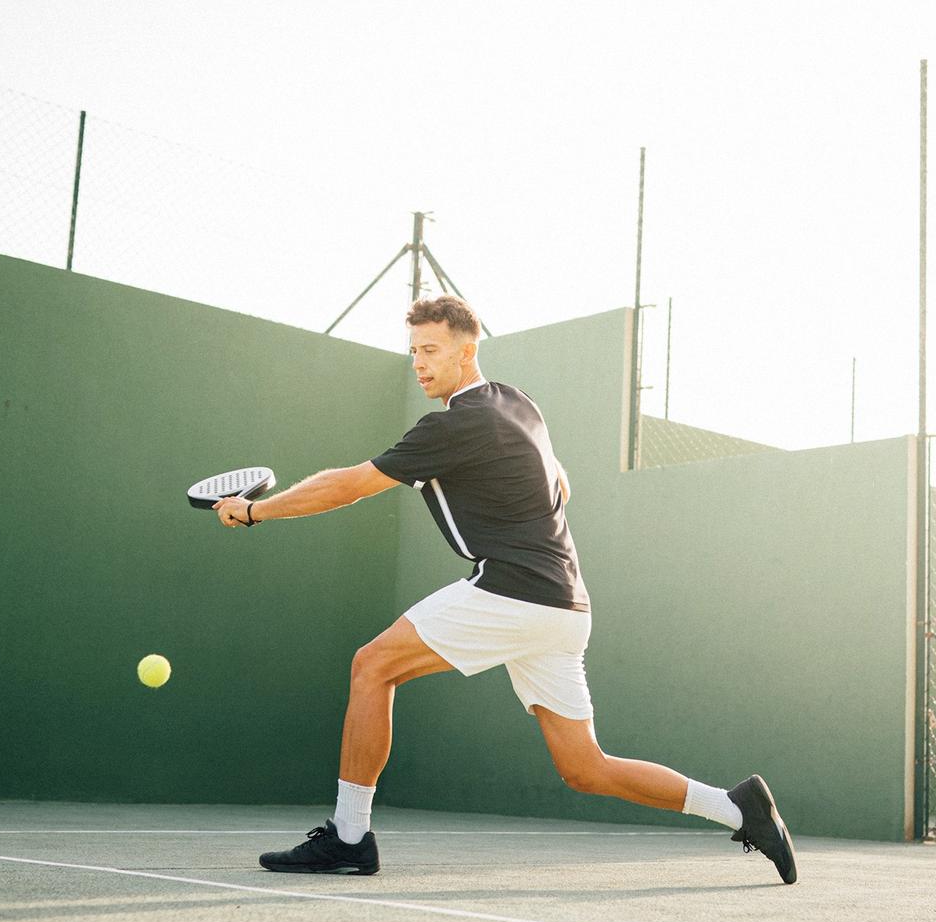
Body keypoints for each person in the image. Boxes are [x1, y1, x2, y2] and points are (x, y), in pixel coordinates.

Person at [213, 295, 797, 884]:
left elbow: (353, 484)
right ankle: (737, 806)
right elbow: (561, 484)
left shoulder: (455, 424)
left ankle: (348, 837)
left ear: (467, 352)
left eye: (431, 350)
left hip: (513, 590)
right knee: (585, 768)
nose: (419, 363)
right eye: (413, 350)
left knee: (373, 667)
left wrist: (257, 512)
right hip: (565, 603)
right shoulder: (519, 403)